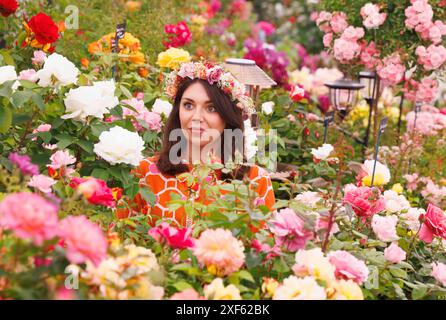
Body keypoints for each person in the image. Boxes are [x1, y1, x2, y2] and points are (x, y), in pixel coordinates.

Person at [116, 61, 275, 227]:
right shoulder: (146, 173)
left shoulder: (256, 181)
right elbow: (120, 240)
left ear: (228, 116)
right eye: (188, 105)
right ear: (178, 112)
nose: (197, 117)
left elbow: (265, 249)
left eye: (211, 108)